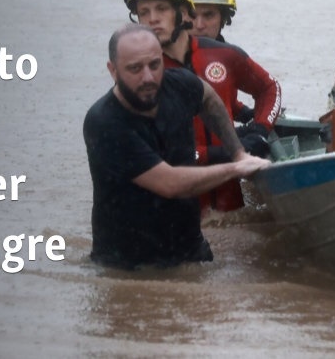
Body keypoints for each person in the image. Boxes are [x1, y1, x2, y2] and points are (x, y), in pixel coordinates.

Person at [83, 24, 270, 270]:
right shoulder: (104, 122)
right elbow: (170, 184)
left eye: (154, 64)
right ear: (113, 70)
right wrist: (237, 168)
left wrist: (237, 151)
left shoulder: (180, 84)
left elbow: (208, 97)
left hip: (190, 251)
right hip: (128, 266)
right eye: (135, 69)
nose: (148, 77)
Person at [124, 0, 282, 212]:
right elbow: (150, 155)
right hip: (177, 216)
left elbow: (269, 87)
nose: (152, 19)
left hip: (231, 208)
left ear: (183, 12)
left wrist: (260, 130)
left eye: (162, 9)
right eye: (144, 12)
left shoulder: (224, 55)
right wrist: (226, 153)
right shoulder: (138, 76)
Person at [186, 0, 258, 125]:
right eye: (192, 15)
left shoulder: (227, 56)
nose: (199, 25)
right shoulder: (163, 60)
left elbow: (224, 98)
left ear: (223, 18)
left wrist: (248, 115)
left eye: (208, 15)